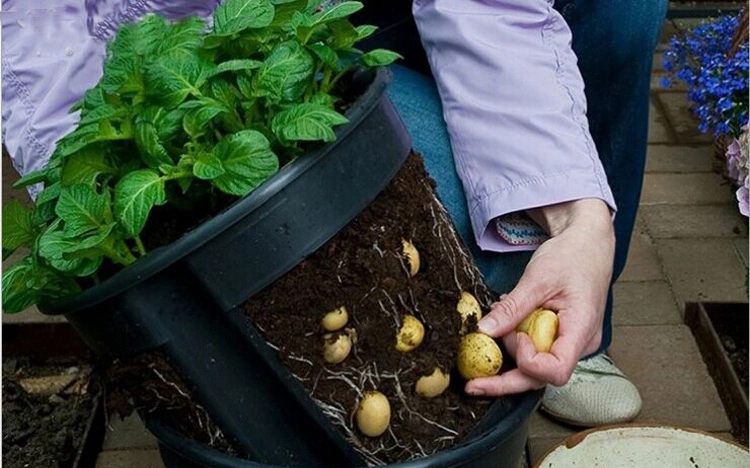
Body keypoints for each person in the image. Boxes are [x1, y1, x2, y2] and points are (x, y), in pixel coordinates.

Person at [1, 0, 667, 427]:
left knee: (619, 12)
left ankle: (568, 329)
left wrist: (580, 216)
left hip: (334, 29)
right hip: (212, 51)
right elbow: (36, 37)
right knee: (417, 205)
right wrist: (111, 194)